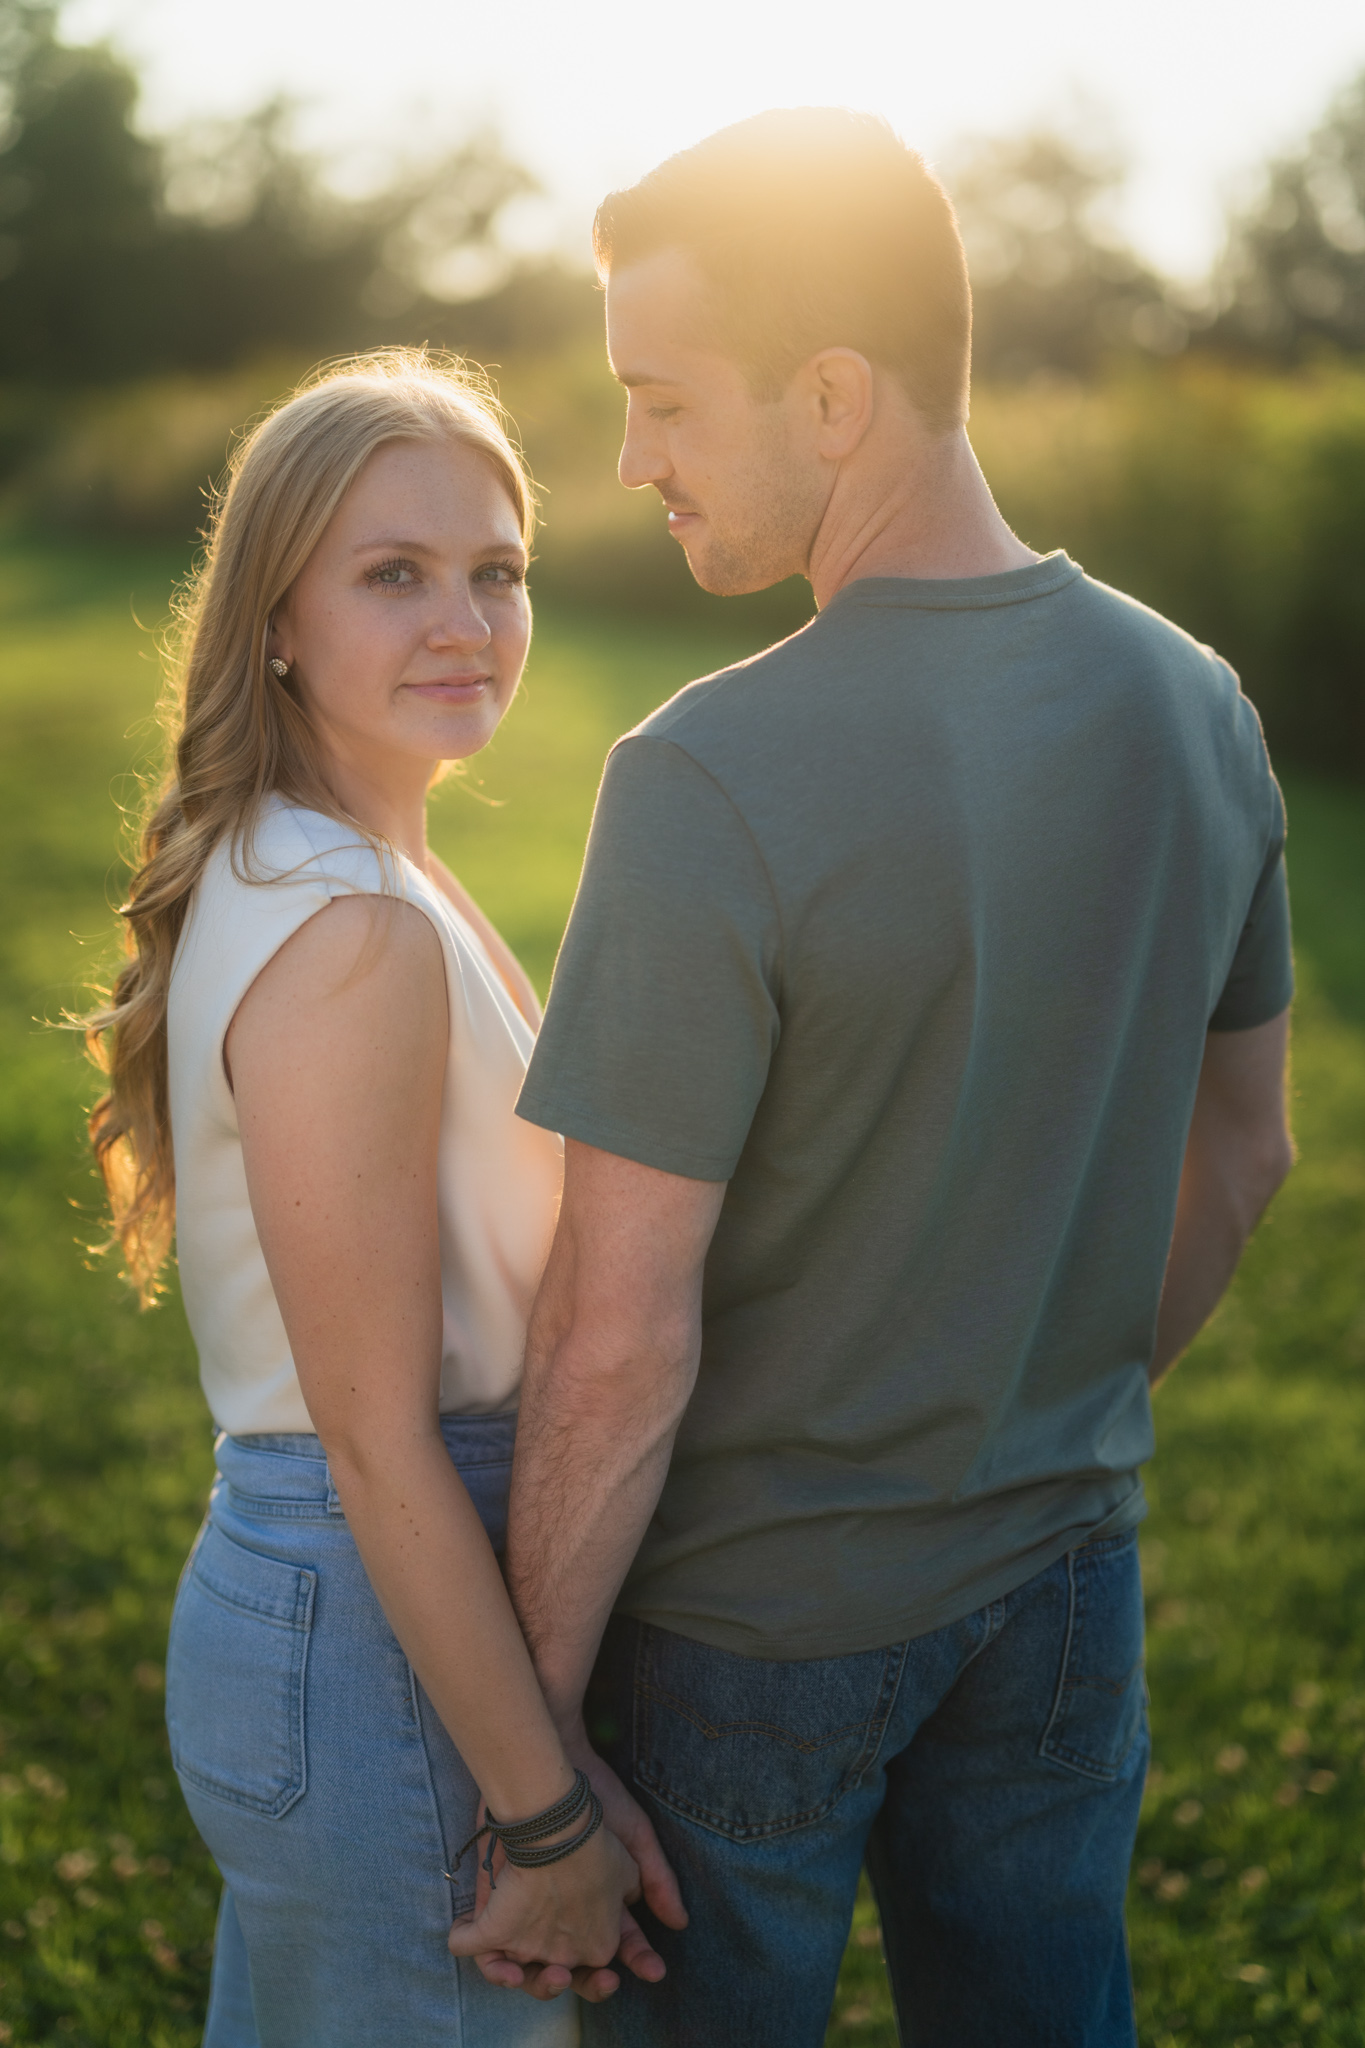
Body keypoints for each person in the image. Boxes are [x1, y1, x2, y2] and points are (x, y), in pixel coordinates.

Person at [502, 110, 1297, 2047]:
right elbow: (1246, 1147)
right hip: (1063, 1579)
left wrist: (518, 1770)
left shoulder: (701, 776)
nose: (627, 459)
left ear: (833, 396)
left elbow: (614, 1336)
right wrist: (1033, 1404)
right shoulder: (1195, 703)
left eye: (661, 398)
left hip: (742, 1640)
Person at [80, 350, 685, 2047]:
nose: (466, 621)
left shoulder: (359, 863)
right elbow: (373, 1439)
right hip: (376, 1613)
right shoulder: (347, 922)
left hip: (381, 1603)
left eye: (498, 572)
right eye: (393, 573)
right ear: (274, 615)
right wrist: (546, 1812)